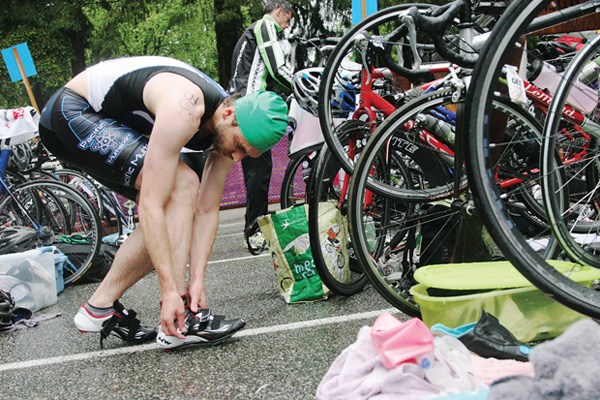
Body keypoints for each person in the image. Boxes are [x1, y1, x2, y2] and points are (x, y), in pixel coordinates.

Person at [38, 56, 288, 349]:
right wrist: (169, 291)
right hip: (69, 112)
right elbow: (150, 207)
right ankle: (176, 316)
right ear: (230, 113)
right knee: (181, 186)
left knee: (182, 196)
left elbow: (207, 210)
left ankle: (101, 307)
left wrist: (198, 280)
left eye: (246, 155)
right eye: (239, 147)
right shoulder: (186, 106)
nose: (236, 158)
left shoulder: (226, 129)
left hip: (98, 119)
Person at [228, 0, 294, 252]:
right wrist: (303, 84)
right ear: (278, 12)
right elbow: (278, 68)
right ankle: (255, 232)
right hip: (249, 107)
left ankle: (254, 230)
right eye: (286, 20)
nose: (286, 27)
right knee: (259, 171)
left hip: (242, 104)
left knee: (257, 169)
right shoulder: (265, 26)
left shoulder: (251, 31)